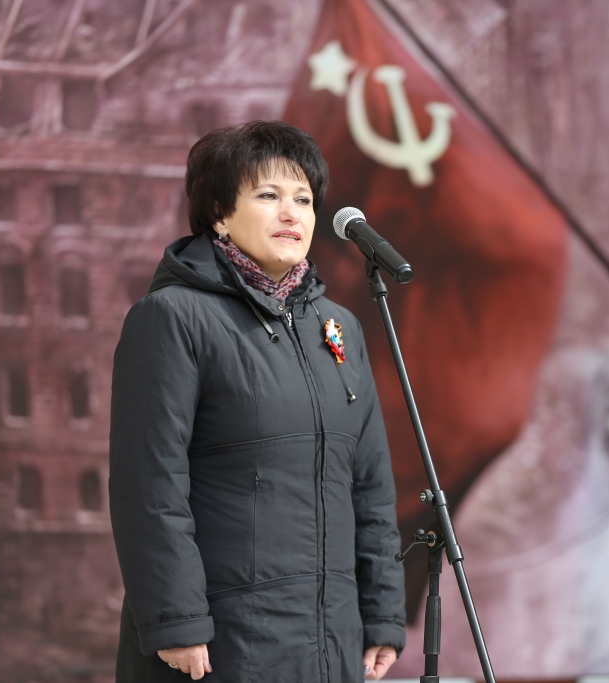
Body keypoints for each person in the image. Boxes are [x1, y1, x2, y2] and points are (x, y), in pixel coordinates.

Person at [109, 121, 406, 682]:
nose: (291, 213)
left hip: (332, 641)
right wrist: (177, 621)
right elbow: (148, 484)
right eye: (268, 196)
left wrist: (382, 615)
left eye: (303, 199)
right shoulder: (172, 317)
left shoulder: (339, 328)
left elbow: (369, 486)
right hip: (224, 642)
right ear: (219, 213)